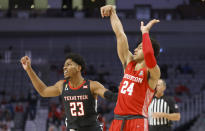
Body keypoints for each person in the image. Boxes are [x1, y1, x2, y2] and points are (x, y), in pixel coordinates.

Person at [20, 53, 117, 131]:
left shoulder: (92, 85)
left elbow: (111, 96)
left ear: (79, 68)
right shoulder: (62, 85)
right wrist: (29, 70)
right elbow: (43, 91)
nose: (64, 68)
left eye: (69, 65)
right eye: (64, 65)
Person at [100, 5, 161, 131]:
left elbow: (149, 55)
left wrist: (145, 32)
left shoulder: (153, 71)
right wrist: (113, 12)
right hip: (118, 120)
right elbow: (120, 35)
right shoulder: (129, 63)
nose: (135, 49)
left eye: (140, 47)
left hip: (137, 120)